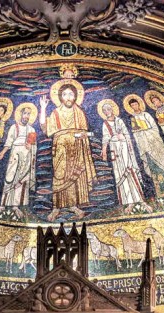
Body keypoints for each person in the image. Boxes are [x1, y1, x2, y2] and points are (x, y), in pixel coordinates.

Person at [39, 79, 96, 221]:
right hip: (61, 149)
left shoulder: (79, 112)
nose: (68, 97)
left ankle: (73, 206)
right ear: (60, 97)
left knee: (76, 178)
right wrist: (43, 108)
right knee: (60, 176)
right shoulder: (56, 113)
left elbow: (84, 131)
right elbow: (45, 129)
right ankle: (56, 208)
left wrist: (83, 136)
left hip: (77, 148)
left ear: (76, 96)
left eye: (71, 94)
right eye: (65, 94)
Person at [123, 94, 164, 198]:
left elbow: (155, 128)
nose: (134, 107)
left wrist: (145, 130)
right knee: (153, 169)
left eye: (136, 104)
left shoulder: (146, 115)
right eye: (132, 105)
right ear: (131, 107)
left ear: (139, 104)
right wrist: (139, 132)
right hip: (145, 146)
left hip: (155, 144)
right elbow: (135, 133)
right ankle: (162, 194)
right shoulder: (132, 118)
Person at [99, 100, 150, 214]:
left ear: (112, 109)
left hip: (125, 148)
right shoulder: (105, 124)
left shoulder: (119, 120)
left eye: (108, 109)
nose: (107, 112)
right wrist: (103, 151)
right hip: (114, 149)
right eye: (104, 110)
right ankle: (129, 202)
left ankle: (141, 200)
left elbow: (127, 134)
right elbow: (105, 138)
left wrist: (128, 144)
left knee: (130, 170)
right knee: (120, 175)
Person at [0, 103, 38, 219]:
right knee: (10, 178)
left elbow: (34, 144)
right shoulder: (14, 127)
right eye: (25, 113)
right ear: (20, 114)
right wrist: (3, 152)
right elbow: (8, 142)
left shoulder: (32, 129)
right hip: (15, 155)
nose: (26, 116)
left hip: (26, 156)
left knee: (21, 180)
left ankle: (16, 206)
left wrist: (31, 146)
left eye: (29, 114)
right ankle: (2, 205)